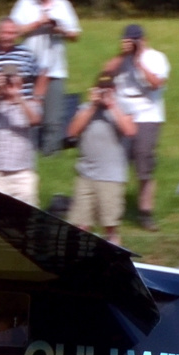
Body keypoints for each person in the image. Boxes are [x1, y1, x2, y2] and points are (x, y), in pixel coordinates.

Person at [104, 24, 169, 229]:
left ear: (143, 39)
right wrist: (123, 56)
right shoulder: (121, 59)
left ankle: (145, 212)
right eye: (127, 40)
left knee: (144, 166)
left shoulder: (156, 58)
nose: (130, 43)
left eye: (134, 40)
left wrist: (139, 61)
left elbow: (156, 83)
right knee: (116, 164)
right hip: (121, 116)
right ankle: (112, 209)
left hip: (147, 116)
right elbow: (105, 74)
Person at [10, 0, 80, 155]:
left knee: (53, 117)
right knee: (23, 114)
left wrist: (60, 29)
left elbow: (75, 35)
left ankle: (51, 154)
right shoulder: (23, 4)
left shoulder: (64, 5)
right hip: (26, 69)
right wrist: (38, 23)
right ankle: (24, 152)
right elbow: (13, 32)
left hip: (55, 69)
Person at [65, 72, 135, 246]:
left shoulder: (122, 107)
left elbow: (130, 131)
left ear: (114, 90)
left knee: (110, 226)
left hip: (111, 177)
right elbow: (72, 131)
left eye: (109, 89)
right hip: (86, 175)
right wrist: (93, 106)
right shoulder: (85, 108)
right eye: (102, 88)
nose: (105, 92)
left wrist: (112, 106)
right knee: (81, 225)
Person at [0, 68, 40, 207]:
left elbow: (35, 120)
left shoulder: (30, 103)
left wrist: (17, 97)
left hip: (22, 174)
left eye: (13, 78)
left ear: (21, 82)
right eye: (6, 79)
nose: (9, 83)